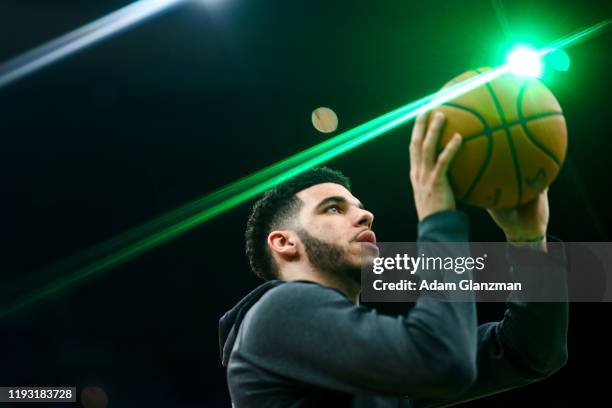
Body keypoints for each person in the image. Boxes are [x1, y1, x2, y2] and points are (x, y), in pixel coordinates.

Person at [218, 111, 568, 407]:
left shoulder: (361, 358)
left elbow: (529, 353)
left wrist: (529, 243)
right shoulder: (278, 311)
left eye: (359, 206)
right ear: (284, 242)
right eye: (334, 208)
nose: (365, 214)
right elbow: (444, 360)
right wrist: (437, 217)